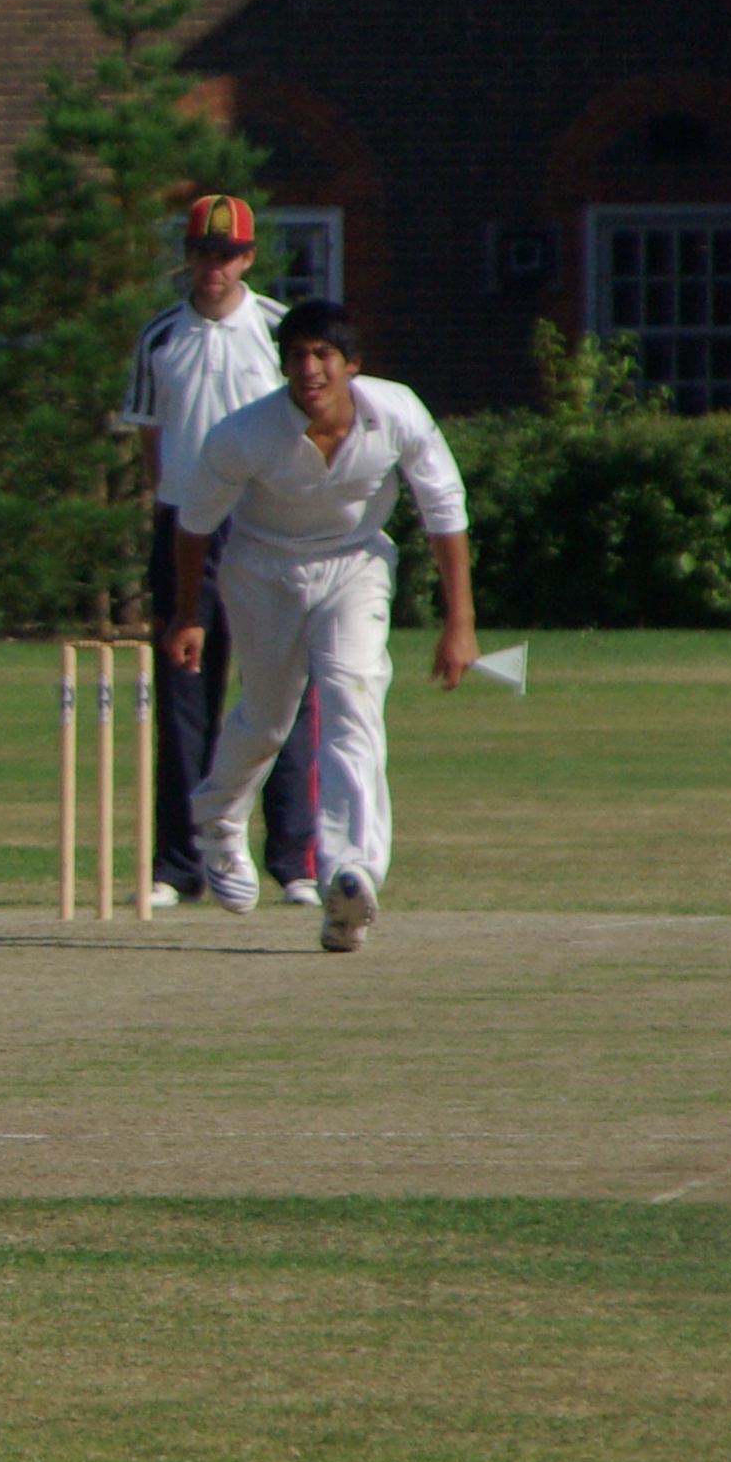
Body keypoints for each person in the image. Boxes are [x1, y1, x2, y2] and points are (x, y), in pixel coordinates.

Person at [165, 301, 480, 955]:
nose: (308, 370)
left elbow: (444, 511)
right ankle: (219, 817)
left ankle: (349, 874)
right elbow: (193, 524)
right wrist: (187, 615)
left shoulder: (395, 413)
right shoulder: (245, 433)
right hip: (260, 569)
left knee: (352, 699)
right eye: (297, 356)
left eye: (322, 356)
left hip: (356, 565)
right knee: (268, 719)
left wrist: (460, 622)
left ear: (351, 365)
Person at [116, 194, 319, 915]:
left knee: (283, 692)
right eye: (203, 251)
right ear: (188, 254)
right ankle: (180, 864)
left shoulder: (275, 331)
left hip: (266, 525)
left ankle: (295, 859)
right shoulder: (159, 337)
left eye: (227, 253)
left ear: (249, 258)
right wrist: (173, 508)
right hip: (186, 531)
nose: (213, 266)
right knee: (183, 701)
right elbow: (149, 437)